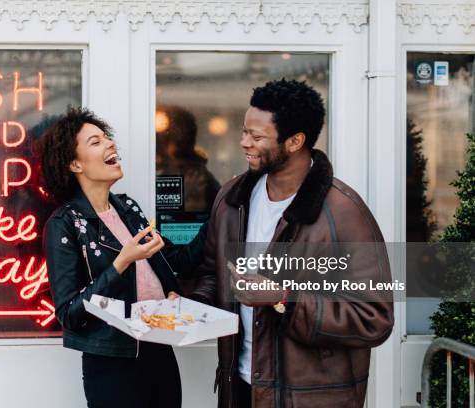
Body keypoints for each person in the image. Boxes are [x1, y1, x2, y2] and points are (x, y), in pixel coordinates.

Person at [189, 79, 394, 407]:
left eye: (256, 136)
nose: (244, 143)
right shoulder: (231, 198)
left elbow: (374, 318)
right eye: (244, 131)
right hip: (240, 388)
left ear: (295, 141)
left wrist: (284, 298)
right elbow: (214, 272)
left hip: (310, 398)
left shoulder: (344, 213)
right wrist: (190, 308)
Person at [39, 107, 205, 408]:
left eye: (107, 138)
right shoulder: (64, 223)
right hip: (112, 365)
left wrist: (220, 213)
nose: (110, 144)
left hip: (160, 350)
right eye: (95, 142)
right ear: (75, 163)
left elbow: (176, 262)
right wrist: (121, 262)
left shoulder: (128, 209)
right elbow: (69, 313)